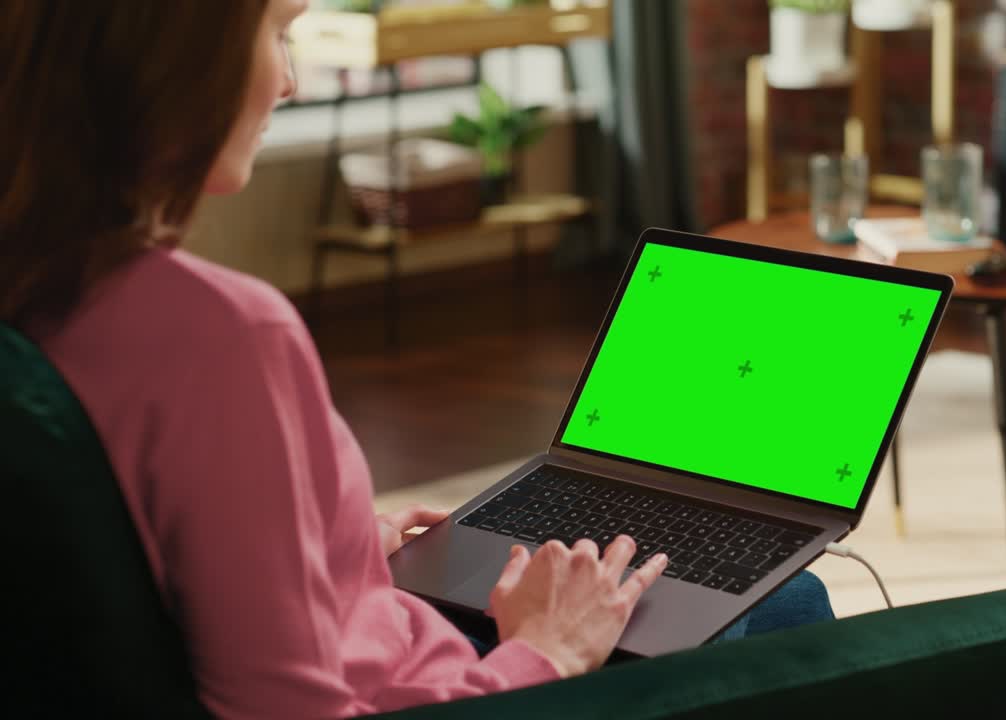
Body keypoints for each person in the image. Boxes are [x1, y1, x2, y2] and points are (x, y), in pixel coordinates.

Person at [0, 2, 835, 718]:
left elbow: (145, 553)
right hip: (451, 689)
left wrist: (336, 548)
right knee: (790, 604)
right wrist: (547, 650)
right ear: (174, 54)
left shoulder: (36, 282)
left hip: (379, 628)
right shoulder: (222, 334)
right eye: (279, 32)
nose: (288, 82)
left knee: (747, 595)